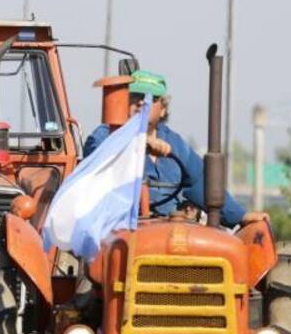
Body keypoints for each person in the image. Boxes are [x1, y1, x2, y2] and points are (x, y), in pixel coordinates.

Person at [83, 70, 265, 228]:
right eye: (136, 97)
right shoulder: (105, 135)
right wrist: (140, 143)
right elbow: (97, 160)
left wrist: (239, 216)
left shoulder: (175, 143)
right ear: (124, 102)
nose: (141, 103)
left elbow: (201, 181)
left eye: (150, 99)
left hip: (170, 228)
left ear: (162, 109)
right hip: (120, 228)